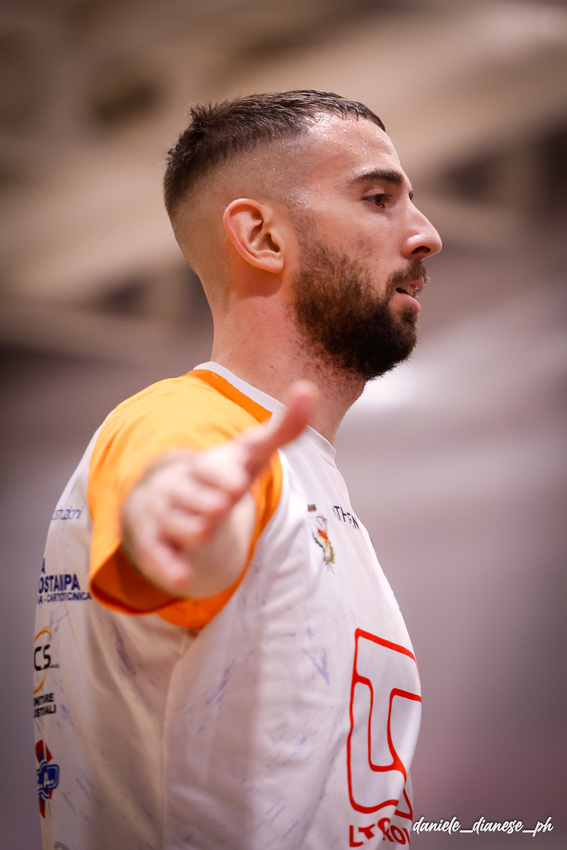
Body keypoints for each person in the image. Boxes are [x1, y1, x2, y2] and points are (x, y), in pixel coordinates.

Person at [33, 90, 442, 850]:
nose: (427, 234)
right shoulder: (186, 427)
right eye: (378, 198)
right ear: (260, 236)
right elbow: (174, 533)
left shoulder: (295, 462)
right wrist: (171, 524)